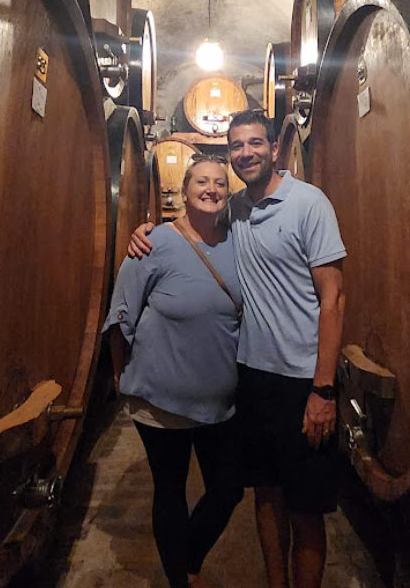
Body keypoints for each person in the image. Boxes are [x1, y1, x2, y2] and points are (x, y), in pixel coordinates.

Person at [129, 110, 346, 588]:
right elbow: (194, 225)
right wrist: (147, 231)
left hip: (304, 380)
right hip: (251, 379)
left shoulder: (309, 203)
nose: (246, 153)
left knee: (306, 508)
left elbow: (333, 299)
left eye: (255, 143)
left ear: (275, 148)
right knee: (266, 497)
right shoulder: (236, 209)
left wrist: (324, 389)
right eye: (237, 146)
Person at [104, 155, 244, 588]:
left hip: (219, 401)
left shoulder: (237, 242)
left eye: (219, 183)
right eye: (201, 181)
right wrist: (119, 374)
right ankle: (180, 580)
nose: (211, 189)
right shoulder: (154, 243)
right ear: (183, 191)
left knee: (228, 489)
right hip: (160, 401)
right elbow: (121, 315)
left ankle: (189, 558)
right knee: (170, 491)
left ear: (229, 193)